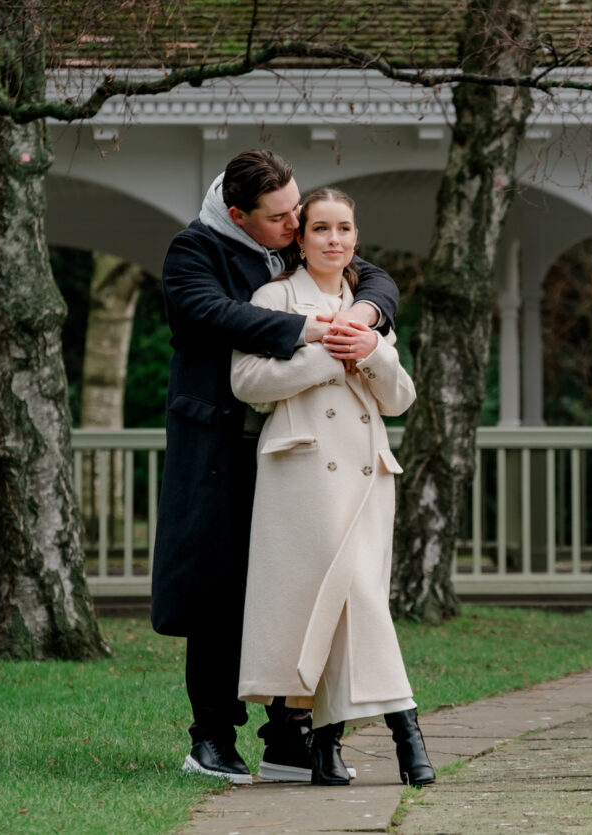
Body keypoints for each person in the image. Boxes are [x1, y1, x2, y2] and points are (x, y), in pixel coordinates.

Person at [151, 151, 400, 785]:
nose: (297, 226)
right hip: (218, 444)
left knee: (301, 582)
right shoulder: (193, 251)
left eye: (299, 211)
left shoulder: (288, 243)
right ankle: (210, 735)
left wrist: (367, 316)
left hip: (294, 448)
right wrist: (316, 330)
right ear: (239, 215)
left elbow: (371, 277)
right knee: (219, 588)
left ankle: (288, 737)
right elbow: (216, 314)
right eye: (282, 217)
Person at [230, 187, 435, 787]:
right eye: (320, 228)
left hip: (368, 475)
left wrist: (372, 352)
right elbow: (247, 381)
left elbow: (399, 400)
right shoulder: (274, 297)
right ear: (301, 236)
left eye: (344, 228)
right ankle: (408, 735)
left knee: (346, 605)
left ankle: (325, 748)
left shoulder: (365, 305)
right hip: (303, 478)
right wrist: (325, 354)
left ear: (355, 237)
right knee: (349, 603)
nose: (333, 239)